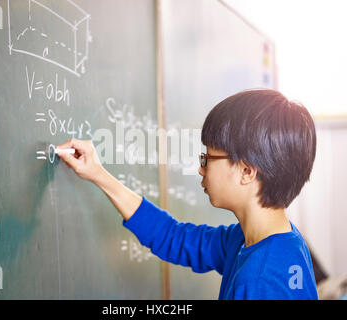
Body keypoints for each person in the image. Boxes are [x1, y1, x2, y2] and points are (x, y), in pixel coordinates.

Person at [57, 88, 318, 300]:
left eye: (208, 158)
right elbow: (174, 237)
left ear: (247, 171)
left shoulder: (259, 281)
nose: (200, 169)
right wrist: (98, 174)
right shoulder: (267, 241)